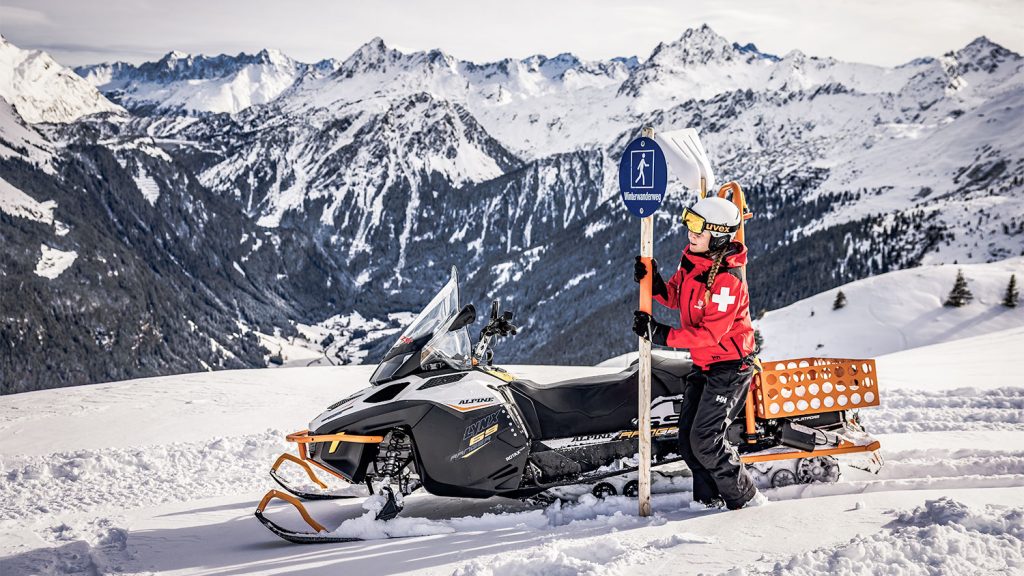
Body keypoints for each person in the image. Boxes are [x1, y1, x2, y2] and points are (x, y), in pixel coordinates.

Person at [631, 195, 767, 510]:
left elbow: (709, 335)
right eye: (689, 223)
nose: (690, 233)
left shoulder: (727, 281)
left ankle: (746, 499)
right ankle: (709, 502)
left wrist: (660, 334)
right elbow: (676, 296)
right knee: (688, 444)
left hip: (730, 368)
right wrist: (653, 282)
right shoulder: (694, 261)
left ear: (718, 235)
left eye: (698, 227)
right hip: (705, 365)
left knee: (706, 440)